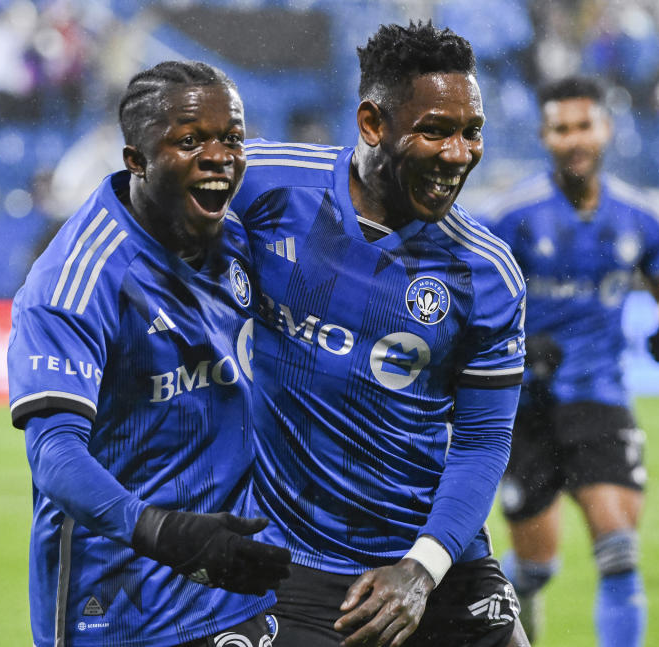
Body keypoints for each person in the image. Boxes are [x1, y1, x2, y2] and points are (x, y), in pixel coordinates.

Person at [230, 21, 530, 647]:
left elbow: (482, 442)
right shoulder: (262, 186)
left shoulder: (486, 273)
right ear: (372, 124)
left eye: (471, 132)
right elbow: (138, 201)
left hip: (438, 559)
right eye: (435, 131)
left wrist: (421, 570)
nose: (458, 154)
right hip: (299, 562)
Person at [6, 60, 291, 647]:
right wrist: (163, 531)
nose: (219, 156)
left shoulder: (243, 234)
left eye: (232, 138)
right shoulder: (77, 279)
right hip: (117, 605)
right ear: (135, 158)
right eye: (190, 142)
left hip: (233, 583)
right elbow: (56, 455)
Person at [485, 76, 659, 647]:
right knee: (537, 566)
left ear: (605, 130)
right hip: (526, 406)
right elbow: (471, 309)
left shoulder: (639, 217)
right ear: (545, 137)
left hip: (601, 395)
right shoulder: (514, 217)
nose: (573, 139)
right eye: (560, 128)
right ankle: (518, 595)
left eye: (583, 126)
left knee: (618, 548)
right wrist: (521, 344)